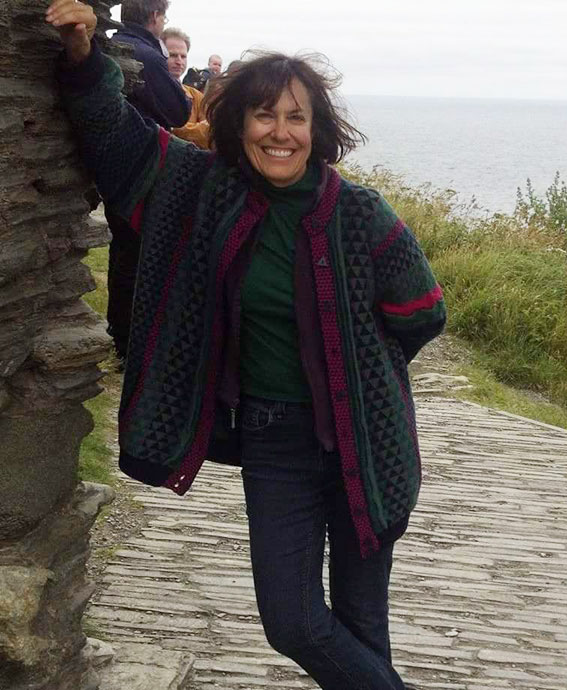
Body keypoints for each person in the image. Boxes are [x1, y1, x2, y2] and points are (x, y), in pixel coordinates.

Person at [47, 2, 445, 689]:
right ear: (239, 124)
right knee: (291, 622)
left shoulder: (362, 215)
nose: (280, 132)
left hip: (369, 443)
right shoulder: (199, 191)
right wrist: (83, 58)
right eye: (265, 115)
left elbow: (421, 314)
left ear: (317, 129)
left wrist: (358, 370)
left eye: (296, 116)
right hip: (275, 441)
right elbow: (116, 138)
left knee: (360, 625)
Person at [106, 0, 191, 361]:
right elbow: (179, 110)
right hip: (143, 169)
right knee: (144, 257)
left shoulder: (111, 45)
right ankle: (133, 344)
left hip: (116, 165)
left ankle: (120, 335)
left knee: (124, 254)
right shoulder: (145, 54)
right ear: (155, 17)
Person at [162, 27, 210, 148]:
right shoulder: (151, 90)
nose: (179, 61)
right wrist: (199, 129)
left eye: (183, 56)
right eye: (172, 55)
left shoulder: (196, 96)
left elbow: (210, 134)